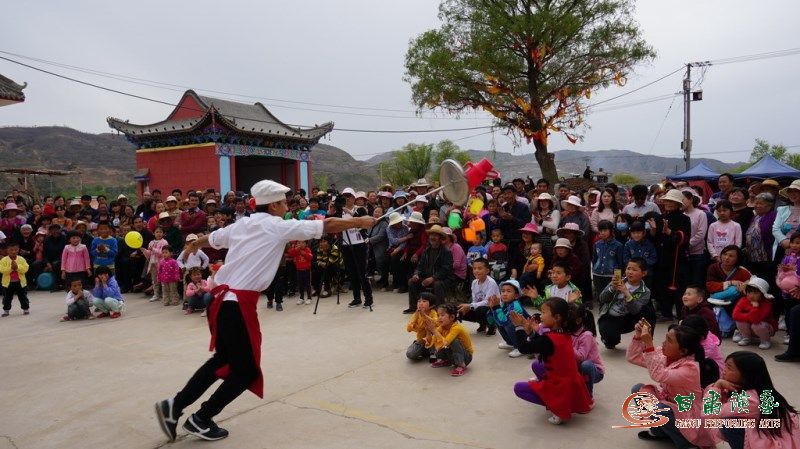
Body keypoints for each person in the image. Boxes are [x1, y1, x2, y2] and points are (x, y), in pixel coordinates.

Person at [154, 179, 374, 442]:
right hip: (236, 305)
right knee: (245, 371)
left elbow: (209, 239)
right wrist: (360, 222)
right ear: (273, 206)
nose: (287, 207)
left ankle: (174, 406)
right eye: (283, 203)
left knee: (222, 360)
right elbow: (327, 225)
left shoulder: (241, 224)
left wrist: (191, 246)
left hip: (220, 301)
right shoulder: (276, 226)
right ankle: (201, 418)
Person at [627, 320, 719, 448]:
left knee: (660, 409)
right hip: (670, 405)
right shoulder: (665, 355)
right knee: (638, 390)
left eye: (669, 341)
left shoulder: (691, 368)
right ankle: (661, 432)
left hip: (688, 414)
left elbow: (658, 375)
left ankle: (687, 443)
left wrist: (648, 344)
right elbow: (633, 357)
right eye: (666, 338)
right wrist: (638, 336)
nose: (663, 343)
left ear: (683, 351)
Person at [512, 297, 593, 425]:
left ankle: (556, 407)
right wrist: (530, 332)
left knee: (518, 388)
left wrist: (518, 327)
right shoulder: (564, 332)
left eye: (544, 312)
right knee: (537, 365)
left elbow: (523, 348)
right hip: (571, 382)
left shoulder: (549, 339)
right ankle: (564, 402)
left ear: (557, 317)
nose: (541, 316)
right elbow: (542, 344)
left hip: (560, 387)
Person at [706, 351, 800, 448]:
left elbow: (709, 413)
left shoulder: (750, 400)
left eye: (729, 368)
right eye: (725, 366)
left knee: (728, 424)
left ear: (745, 374)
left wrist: (717, 386)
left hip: (772, 442)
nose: (724, 370)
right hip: (768, 432)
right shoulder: (760, 389)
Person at [597, 258, 655, 349]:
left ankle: (646, 341)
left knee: (648, 311)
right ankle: (610, 338)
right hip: (611, 317)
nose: (630, 272)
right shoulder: (618, 281)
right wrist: (612, 288)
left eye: (634, 270)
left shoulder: (645, 291)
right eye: (628, 268)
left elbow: (635, 311)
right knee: (610, 339)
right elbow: (602, 299)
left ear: (644, 273)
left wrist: (627, 293)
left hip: (628, 319)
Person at [653, 189, 691, 321]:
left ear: (678, 204)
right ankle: (666, 313)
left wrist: (670, 232)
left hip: (677, 258)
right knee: (662, 286)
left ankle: (681, 314)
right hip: (662, 257)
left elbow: (685, 239)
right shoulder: (660, 218)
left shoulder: (684, 219)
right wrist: (653, 231)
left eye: (672, 201)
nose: (668, 203)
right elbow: (656, 239)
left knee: (679, 287)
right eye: (667, 201)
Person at [405, 225, 454, 314]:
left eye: (435, 235)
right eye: (431, 235)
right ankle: (413, 307)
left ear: (440, 238)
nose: (432, 237)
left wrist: (433, 278)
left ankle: (439, 310)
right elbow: (420, 266)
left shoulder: (446, 252)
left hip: (443, 279)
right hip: (427, 277)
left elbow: (446, 269)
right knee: (412, 281)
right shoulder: (426, 251)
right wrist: (416, 274)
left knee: (437, 284)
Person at [705, 245, 752, 338]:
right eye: (725, 254)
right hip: (715, 296)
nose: (726, 258)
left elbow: (753, 282)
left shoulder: (741, 271)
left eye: (731, 256)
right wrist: (730, 283)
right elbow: (710, 286)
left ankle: (738, 329)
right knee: (734, 290)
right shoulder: (713, 267)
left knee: (738, 294)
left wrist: (744, 286)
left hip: (733, 301)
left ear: (737, 259)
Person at [426, 303, 473, 377]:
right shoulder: (442, 327)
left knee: (454, 341)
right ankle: (446, 360)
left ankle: (461, 365)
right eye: (438, 315)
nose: (439, 318)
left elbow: (445, 342)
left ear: (452, 317)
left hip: (466, 357)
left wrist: (434, 331)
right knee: (438, 338)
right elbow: (432, 341)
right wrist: (429, 332)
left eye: (442, 315)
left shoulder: (456, 328)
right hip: (452, 355)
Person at [568, 303, 604, 396]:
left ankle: (587, 395)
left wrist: (567, 343)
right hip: (575, 367)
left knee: (586, 365)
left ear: (578, 320)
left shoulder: (586, 335)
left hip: (593, 371)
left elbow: (581, 357)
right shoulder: (568, 332)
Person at [732, 276, 777, 349]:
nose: (751, 295)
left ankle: (765, 341)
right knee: (740, 321)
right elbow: (735, 315)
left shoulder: (767, 304)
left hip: (765, 328)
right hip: (750, 327)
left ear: (762, 294)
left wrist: (755, 308)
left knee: (757, 325)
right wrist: (749, 316)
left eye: (755, 293)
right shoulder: (743, 300)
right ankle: (746, 338)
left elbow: (756, 320)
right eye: (749, 292)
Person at [488, 279, 529, 357]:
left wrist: (496, 307)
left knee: (509, 324)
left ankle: (520, 347)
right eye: (503, 291)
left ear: (516, 295)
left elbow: (504, 321)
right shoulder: (506, 304)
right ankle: (511, 343)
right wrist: (493, 308)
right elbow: (496, 320)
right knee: (499, 321)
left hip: (526, 334)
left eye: (508, 291)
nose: (505, 294)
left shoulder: (515, 306)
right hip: (520, 331)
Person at [458, 258, 500, 335]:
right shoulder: (474, 282)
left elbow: (487, 302)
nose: (476, 271)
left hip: (492, 308)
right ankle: (482, 324)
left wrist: (470, 306)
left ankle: (492, 325)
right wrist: (469, 307)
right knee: (460, 309)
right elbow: (474, 300)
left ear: (487, 271)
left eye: (480, 268)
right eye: (474, 268)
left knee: (481, 309)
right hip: (480, 307)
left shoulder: (491, 283)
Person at [592, 220, 624, 308]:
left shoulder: (618, 245)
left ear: (611, 231)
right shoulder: (597, 244)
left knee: (612, 297)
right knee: (600, 297)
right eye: (601, 230)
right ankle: (602, 312)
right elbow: (594, 259)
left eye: (605, 230)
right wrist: (594, 270)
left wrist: (618, 277)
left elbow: (620, 263)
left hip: (611, 276)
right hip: (597, 275)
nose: (602, 233)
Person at [682, 190, 709, 287]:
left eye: (683, 199)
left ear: (690, 199)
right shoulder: (682, 215)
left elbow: (701, 234)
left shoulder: (701, 214)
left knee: (697, 281)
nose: (681, 202)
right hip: (683, 254)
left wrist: (687, 244)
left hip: (697, 253)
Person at [405, 292, 439, 361]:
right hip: (421, 341)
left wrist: (425, 315)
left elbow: (436, 323)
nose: (420, 303)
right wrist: (416, 317)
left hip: (433, 341)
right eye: (419, 301)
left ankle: (432, 352)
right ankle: (426, 351)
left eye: (424, 301)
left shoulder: (433, 313)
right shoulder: (416, 314)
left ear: (431, 305)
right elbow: (408, 328)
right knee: (410, 354)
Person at [0, 242, 29, 317]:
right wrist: (11, 268)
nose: (13, 251)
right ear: (7, 250)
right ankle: (6, 310)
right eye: (11, 250)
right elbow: (2, 270)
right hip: (8, 283)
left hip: (20, 282)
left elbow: (25, 269)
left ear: (18, 250)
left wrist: (17, 267)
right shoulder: (4, 260)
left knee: (23, 296)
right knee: (7, 298)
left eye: (16, 250)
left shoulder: (21, 259)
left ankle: (25, 308)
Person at [143, 227, 169, 302]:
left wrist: (153, 249)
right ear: (153, 233)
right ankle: (156, 295)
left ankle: (165, 295)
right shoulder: (151, 242)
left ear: (163, 233)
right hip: (153, 264)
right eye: (157, 232)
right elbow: (149, 255)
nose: (159, 234)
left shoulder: (164, 242)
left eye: (160, 232)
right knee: (154, 280)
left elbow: (162, 253)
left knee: (164, 280)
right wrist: (144, 250)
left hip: (162, 264)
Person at [287, 240, 313, 305]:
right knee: (300, 285)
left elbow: (310, 257)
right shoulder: (296, 250)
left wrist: (304, 253)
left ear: (306, 244)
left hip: (307, 270)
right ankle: (301, 298)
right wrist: (296, 249)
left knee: (308, 284)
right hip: (299, 270)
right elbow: (290, 253)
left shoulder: (307, 249)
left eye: (303, 242)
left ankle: (309, 298)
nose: (301, 244)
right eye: (299, 243)